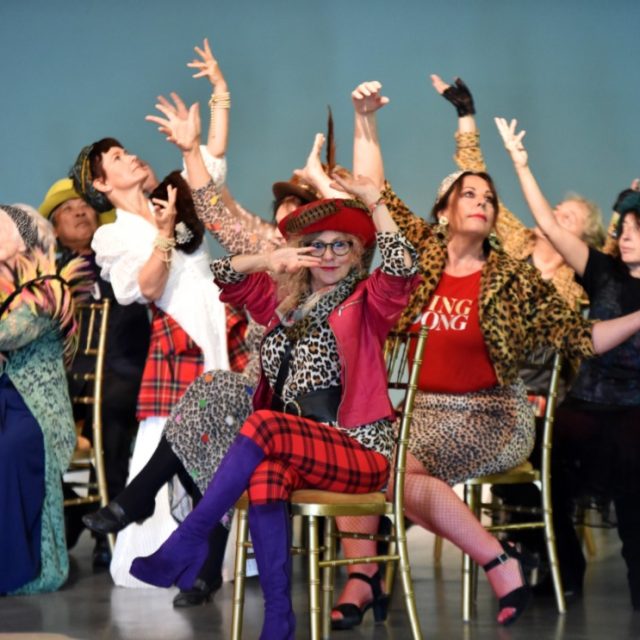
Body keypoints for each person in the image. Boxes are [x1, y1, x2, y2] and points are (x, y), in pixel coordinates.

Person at [328, 80, 640, 629]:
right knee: (359, 457)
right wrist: (364, 119)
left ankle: (376, 575)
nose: (482, 202)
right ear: (445, 210)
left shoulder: (512, 280)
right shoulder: (420, 252)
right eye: (470, 194)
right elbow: (372, 189)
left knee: (388, 466)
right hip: (418, 413)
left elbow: (580, 338)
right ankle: (466, 562)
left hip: (490, 414)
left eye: (489, 199)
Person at [124, 100, 420, 638]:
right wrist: (267, 261)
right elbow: (222, 273)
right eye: (316, 246)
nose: (328, 254)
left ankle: (186, 540)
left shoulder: (368, 300)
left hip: (357, 448)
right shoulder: (285, 305)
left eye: (340, 246)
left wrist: (376, 203)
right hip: (298, 445)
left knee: (259, 426)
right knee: (263, 471)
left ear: (356, 254)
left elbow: (401, 264)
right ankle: (278, 620)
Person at [496, 116, 640, 608]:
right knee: (547, 466)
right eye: (625, 228)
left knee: (632, 472)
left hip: (633, 408)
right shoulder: (602, 274)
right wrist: (522, 165)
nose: (626, 236)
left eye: (638, 230)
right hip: (586, 402)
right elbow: (550, 225)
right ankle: (568, 575)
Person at [38, 178, 151, 567]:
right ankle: (67, 520)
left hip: (119, 371)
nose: (80, 211)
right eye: (68, 209)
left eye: (84, 205)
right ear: (54, 228)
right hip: (67, 379)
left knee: (111, 415)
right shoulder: (47, 277)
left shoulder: (117, 262)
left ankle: (109, 524)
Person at [0, 204, 89, 594]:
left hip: (36, 410)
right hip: (6, 403)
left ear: (21, 238)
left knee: (9, 450)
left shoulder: (48, 286)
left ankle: (28, 569)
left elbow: (8, 333)